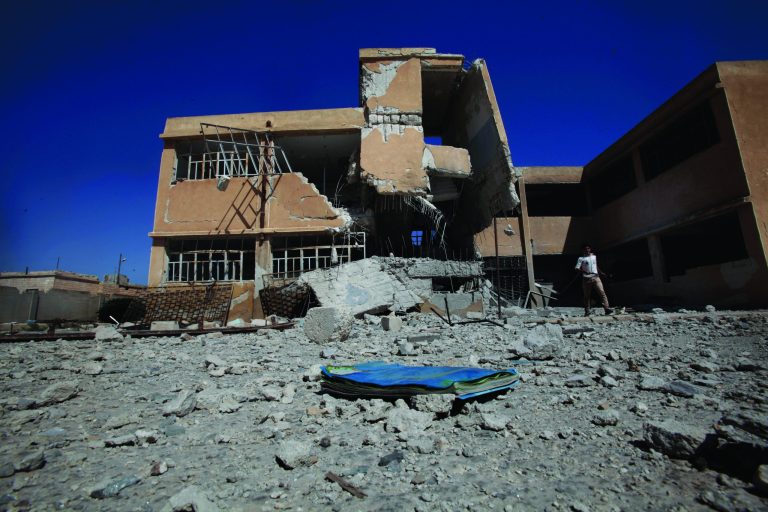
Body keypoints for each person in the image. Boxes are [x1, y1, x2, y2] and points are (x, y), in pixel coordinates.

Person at [575, 244, 613, 316]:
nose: (587, 250)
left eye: (588, 248)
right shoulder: (581, 258)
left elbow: (596, 266)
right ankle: (587, 311)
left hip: (596, 277)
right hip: (586, 279)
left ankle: (606, 308)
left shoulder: (594, 256)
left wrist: (601, 273)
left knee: (602, 292)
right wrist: (584, 271)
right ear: (582, 250)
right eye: (585, 249)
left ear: (590, 249)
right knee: (587, 296)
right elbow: (576, 268)